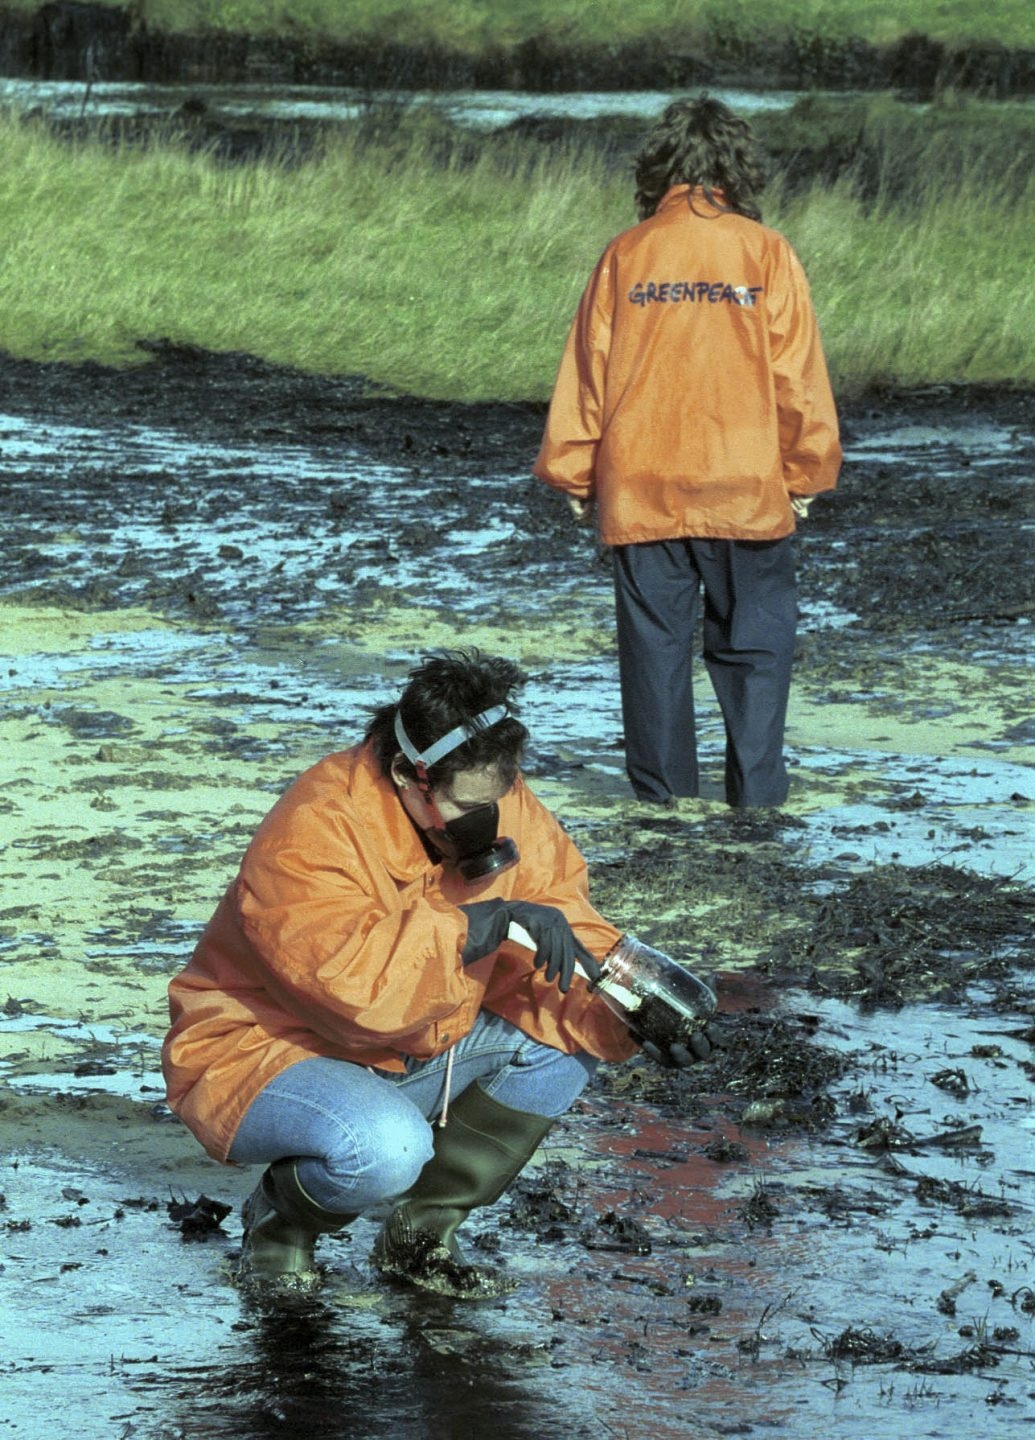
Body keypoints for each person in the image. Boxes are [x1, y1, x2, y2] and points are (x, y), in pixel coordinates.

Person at [162, 649, 712, 1300]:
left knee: (569, 1044)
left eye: (497, 799)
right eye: (464, 806)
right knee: (388, 1149)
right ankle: (279, 1227)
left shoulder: (492, 795)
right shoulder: (312, 830)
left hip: (406, 1048)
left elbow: (564, 923)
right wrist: (478, 924)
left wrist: (629, 1006)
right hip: (265, 1052)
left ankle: (419, 1240)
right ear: (405, 771)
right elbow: (356, 997)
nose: (486, 825)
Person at [534, 96, 842, 809]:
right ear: (737, 167)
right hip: (744, 484)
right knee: (756, 654)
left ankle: (662, 808)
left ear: (657, 167)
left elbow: (588, 373)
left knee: (653, 659)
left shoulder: (626, 252)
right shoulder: (764, 252)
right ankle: (755, 803)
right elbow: (796, 377)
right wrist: (804, 473)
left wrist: (577, 474)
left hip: (642, 484)